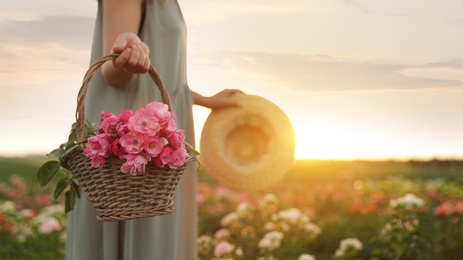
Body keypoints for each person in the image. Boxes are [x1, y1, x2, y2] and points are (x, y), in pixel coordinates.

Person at [65, 0, 241, 259]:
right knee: (140, 229)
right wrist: (129, 51)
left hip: (158, 135)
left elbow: (167, 81)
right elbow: (112, 74)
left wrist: (206, 100)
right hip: (130, 141)